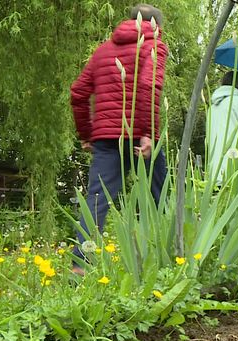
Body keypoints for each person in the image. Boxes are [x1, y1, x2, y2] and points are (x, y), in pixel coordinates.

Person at [70, 4, 168, 274]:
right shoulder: (154, 43)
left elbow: (78, 93)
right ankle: (169, 255)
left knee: (97, 200)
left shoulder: (103, 51)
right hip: (139, 135)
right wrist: (148, 133)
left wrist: (87, 134)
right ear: (157, 25)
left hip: (106, 138)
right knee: (159, 195)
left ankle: (80, 265)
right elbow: (149, 86)